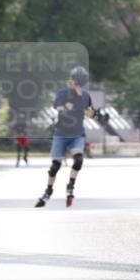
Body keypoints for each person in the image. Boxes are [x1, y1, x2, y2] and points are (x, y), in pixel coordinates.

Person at [35, 66, 99, 208]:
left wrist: (93, 113)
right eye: (75, 80)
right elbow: (58, 107)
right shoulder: (63, 93)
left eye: (79, 82)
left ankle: (70, 186)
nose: (76, 84)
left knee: (78, 160)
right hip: (61, 133)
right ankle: (48, 190)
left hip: (77, 134)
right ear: (71, 80)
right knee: (55, 166)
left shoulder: (85, 95)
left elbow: (90, 113)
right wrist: (65, 107)